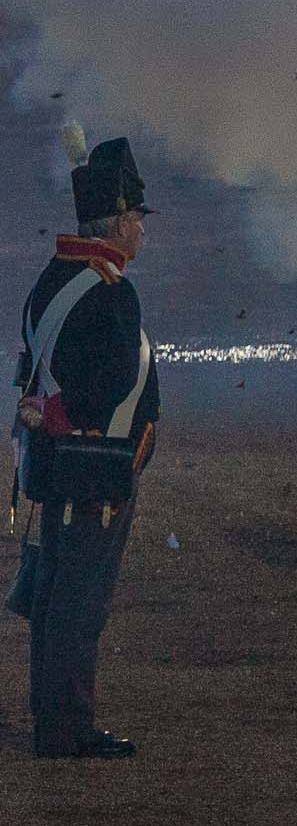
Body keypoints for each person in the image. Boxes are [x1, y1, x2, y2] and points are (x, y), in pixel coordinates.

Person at [12, 124, 161, 759]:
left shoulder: (54, 277)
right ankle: (66, 728)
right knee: (78, 602)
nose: (143, 229)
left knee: (54, 595)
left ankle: (53, 717)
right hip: (92, 472)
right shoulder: (109, 291)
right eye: (136, 217)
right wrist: (58, 414)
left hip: (53, 470)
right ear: (117, 221)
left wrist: (43, 420)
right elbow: (111, 383)